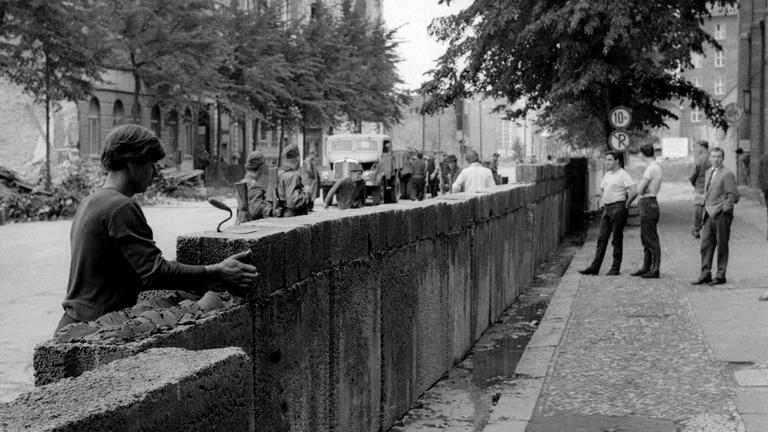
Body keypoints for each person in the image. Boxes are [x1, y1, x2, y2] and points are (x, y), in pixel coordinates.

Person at [56, 124, 258, 334]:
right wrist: (218, 271)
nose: (154, 173)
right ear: (132, 162)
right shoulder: (121, 206)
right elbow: (154, 272)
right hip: (94, 330)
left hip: (72, 323)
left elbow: (125, 274)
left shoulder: (90, 202)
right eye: (151, 164)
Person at [579, 151, 636, 276]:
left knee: (616, 239)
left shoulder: (623, 175)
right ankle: (595, 267)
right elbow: (603, 190)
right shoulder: (607, 175)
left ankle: (615, 268)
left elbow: (634, 190)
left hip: (618, 207)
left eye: (610, 160)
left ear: (617, 161)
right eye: (606, 160)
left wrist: (627, 204)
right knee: (602, 239)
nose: (607, 162)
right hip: (607, 208)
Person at [691, 147, 740, 286]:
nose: (716, 159)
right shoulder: (708, 172)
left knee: (722, 245)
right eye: (713, 156)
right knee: (705, 245)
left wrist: (725, 208)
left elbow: (734, 196)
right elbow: (708, 192)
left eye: (719, 156)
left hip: (721, 215)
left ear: (723, 158)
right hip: (708, 214)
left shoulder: (727, 174)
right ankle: (705, 274)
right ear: (710, 158)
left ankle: (720, 275)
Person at [627, 144, 663, 278]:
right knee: (646, 237)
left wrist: (628, 201)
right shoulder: (655, 167)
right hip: (650, 202)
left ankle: (655, 269)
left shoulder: (651, 169)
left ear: (642, 154)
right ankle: (646, 266)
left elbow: (640, 189)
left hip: (648, 203)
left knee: (650, 238)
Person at [234, 150, 271, 223]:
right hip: (253, 225)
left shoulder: (242, 182)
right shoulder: (254, 186)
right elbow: (255, 211)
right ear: (261, 167)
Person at [276, 144, 313, 217]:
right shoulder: (292, 176)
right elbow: (294, 202)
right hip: (291, 217)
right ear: (298, 158)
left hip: (282, 214)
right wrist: (307, 193)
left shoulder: (280, 173)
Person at [689, 140, 711, 239]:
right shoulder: (713, 157)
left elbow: (693, 175)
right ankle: (710, 229)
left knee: (698, 208)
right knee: (710, 208)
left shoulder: (699, 159)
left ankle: (696, 229)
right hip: (711, 187)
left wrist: (694, 183)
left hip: (700, 187)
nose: (696, 149)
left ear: (702, 147)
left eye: (697, 147)